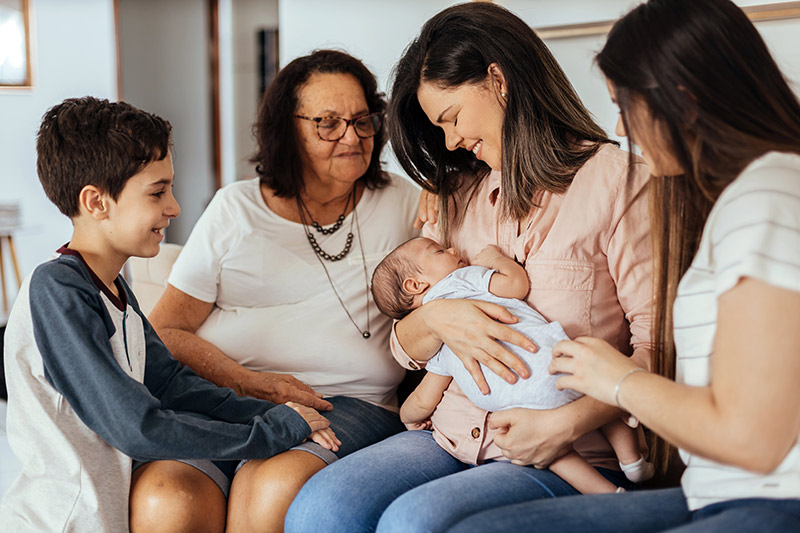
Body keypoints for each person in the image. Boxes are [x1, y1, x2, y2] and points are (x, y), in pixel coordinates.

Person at [285, 4, 654, 532]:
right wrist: (437, 320)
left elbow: (659, 346)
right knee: (319, 510)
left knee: (415, 523)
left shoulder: (618, 183)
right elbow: (403, 341)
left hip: (564, 449)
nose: (451, 142)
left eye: (451, 119)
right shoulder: (457, 193)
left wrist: (565, 422)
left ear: (498, 81)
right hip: (450, 429)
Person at [443, 0, 800, 531]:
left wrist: (619, 380)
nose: (618, 125)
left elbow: (752, 438)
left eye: (624, 105)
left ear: (684, 101)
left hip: (768, 500)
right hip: (717, 491)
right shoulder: (747, 196)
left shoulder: (765, 201)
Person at [0, 97, 335, 532]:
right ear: (96, 202)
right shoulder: (58, 291)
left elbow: (172, 385)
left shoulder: (115, 284)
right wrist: (269, 434)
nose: (174, 207)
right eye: (158, 192)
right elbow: (137, 428)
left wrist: (269, 412)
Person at [133, 50, 420, 532]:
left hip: (348, 403)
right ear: (287, 129)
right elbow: (166, 329)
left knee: (270, 483)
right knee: (168, 497)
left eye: (363, 120)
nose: (352, 137)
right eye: (328, 123)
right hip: (226, 397)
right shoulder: (235, 209)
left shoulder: (408, 203)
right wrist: (252, 385)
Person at [373, 236, 654, 494]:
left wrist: (408, 417)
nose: (453, 250)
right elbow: (516, 285)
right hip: (550, 364)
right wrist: (495, 259)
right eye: (440, 251)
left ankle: (606, 494)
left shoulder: (440, 347)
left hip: (513, 407)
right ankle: (632, 461)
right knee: (590, 387)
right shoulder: (461, 280)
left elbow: (424, 398)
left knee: (554, 456)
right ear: (414, 284)